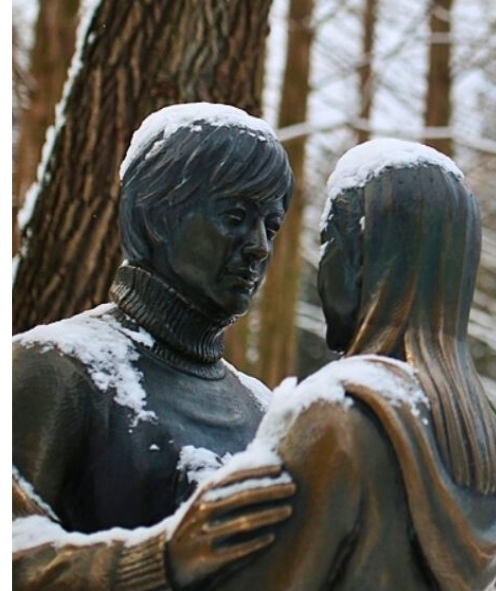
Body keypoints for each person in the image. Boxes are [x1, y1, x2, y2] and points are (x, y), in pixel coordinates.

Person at [196, 139, 496, 589]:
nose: (319, 267)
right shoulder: (485, 445)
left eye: (329, 243)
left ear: (365, 258)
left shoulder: (334, 418)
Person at [12, 104, 300, 588]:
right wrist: (159, 559)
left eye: (270, 226)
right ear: (159, 214)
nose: (259, 246)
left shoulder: (263, 409)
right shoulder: (54, 370)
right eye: (235, 216)